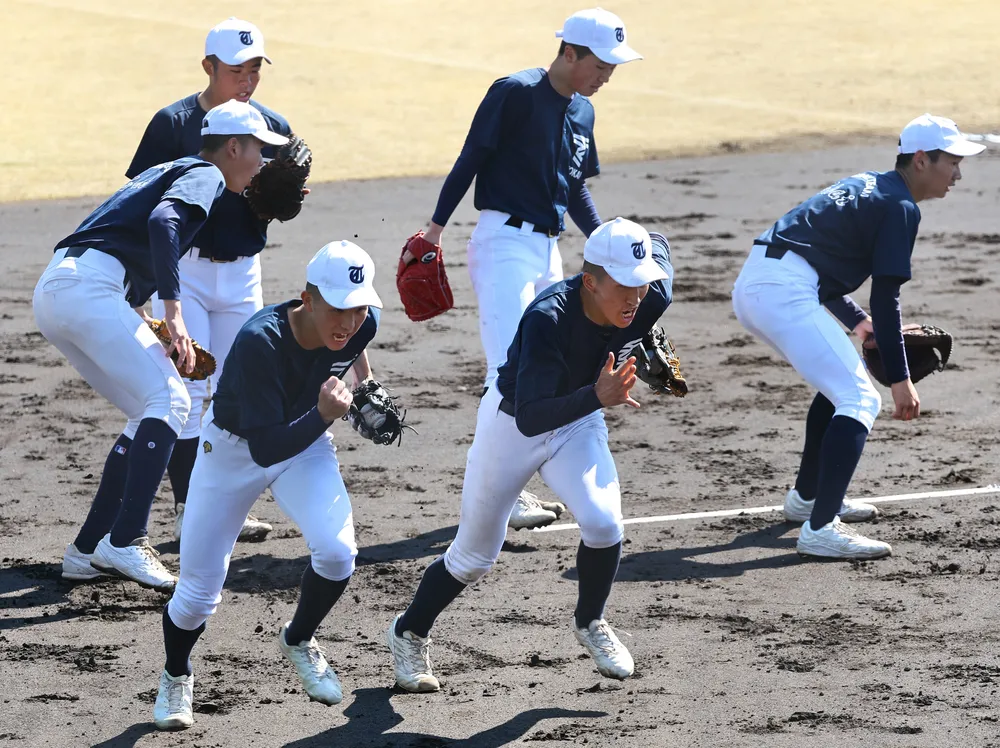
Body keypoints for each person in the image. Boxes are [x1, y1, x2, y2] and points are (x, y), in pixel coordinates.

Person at [387, 218, 672, 691]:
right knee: (474, 557)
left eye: (641, 283)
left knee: (604, 525)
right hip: (513, 425)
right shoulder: (548, 318)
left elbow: (659, 246)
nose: (635, 298)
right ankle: (408, 630)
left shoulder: (652, 298)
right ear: (590, 281)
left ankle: (591, 622)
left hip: (578, 421)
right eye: (624, 285)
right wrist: (599, 397)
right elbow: (531, 418)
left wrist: (639, 302)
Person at [399, 8, 642, 530]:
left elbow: (574, 186)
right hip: (503, 242)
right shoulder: (514, 91)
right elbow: (470, 158)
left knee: (551, 367)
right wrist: (434, 229)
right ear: (570, 52)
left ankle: (523, 480)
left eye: (612, 70)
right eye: (600, 67)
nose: (606, 78)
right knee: (505, 369)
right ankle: (494, 496)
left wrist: (600, 244)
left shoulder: (583, 113)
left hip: (548, 249)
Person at [36, 102, 289, 589]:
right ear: (233, 147)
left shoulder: (169, 168)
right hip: (87, 289)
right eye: (259, 150)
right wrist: (174, 313)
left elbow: (122, 241)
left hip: (62, 291)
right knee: (172, 398)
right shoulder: (206, 174)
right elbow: (162, 223)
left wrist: (142, 316)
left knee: (147, 409)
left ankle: (86, 550)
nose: (262, 163)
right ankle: (127, 540)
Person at [152, 241, 386, 730]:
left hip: (306, 440)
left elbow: (356, 348)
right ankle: (176, 674)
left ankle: (298, 639)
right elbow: (264, 450)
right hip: (235, 451)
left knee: (338, 553)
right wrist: (325, 414)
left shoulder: (362, 323)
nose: (350, 320)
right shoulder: (260, 341)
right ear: (309, 297)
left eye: (360, 305)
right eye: (339, 307)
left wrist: (366, 385)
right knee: (197, 594)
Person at [731, 114, 985, 560]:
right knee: (862, 399)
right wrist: (900, 380)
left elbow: (813, 255)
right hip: (782, 292)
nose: (959, 174)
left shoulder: (869, 184)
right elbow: (887, 297)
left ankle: (808, 500)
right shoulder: (901, 207)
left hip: (763, 283)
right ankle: (821, 528)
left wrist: (855, 319)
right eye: (953, 162)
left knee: (837, 389)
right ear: (922, 160)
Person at [126, 17, 296, 544]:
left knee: (232, 386)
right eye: (235, 70)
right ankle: (188, 506)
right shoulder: (172, 122)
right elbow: (142, 198)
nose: (246, 80)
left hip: (243, 273)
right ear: (209, 68)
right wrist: (144, 286)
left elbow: (279, 203)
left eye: (254, 70)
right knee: (188, 382)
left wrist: (282, 203)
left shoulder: (273, 126)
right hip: (187, 272)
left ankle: (221, 502)